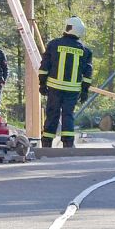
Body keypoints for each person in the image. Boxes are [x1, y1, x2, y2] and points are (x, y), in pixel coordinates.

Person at [38, 16, 93, 148]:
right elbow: (87, 73)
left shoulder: (53, 44)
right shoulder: (85, 51)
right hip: (72, 90)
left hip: (54, 88)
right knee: (68, 115)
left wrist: (42, 83)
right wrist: (85, 90)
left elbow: (44, 67)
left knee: (52, 115)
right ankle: (68, 145)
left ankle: (46, 144)